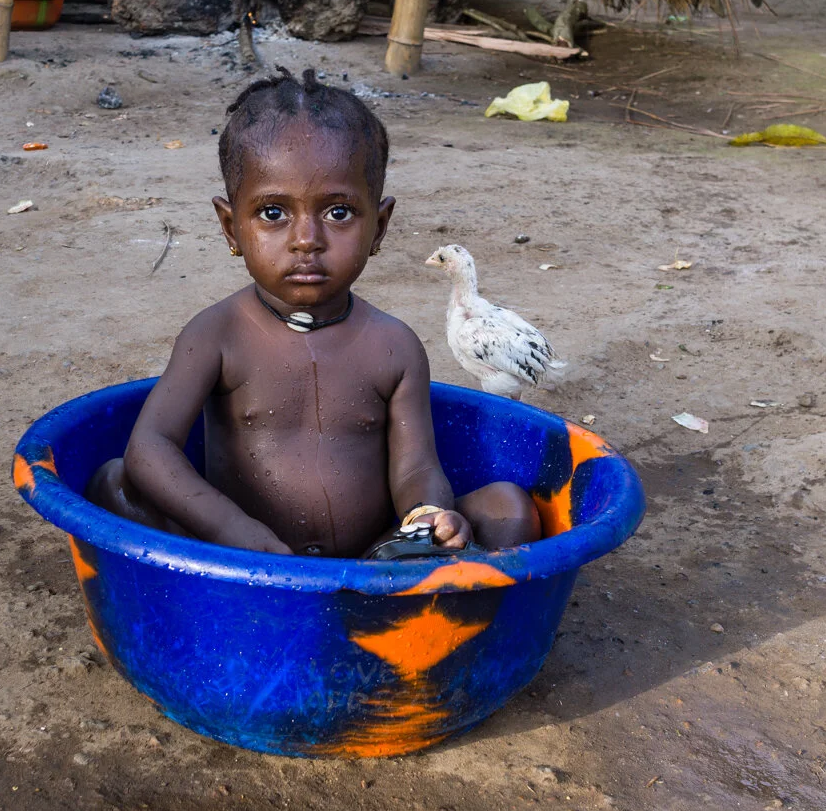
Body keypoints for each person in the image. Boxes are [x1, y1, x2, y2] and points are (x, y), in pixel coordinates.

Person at [86, 68, 542, 558]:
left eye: (338, 213)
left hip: (371, 567)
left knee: (508, 509)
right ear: (230, 227)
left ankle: (431, 622)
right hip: (235, 563)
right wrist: (231, 532)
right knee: (115, 483)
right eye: (273, 213)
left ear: (380, 225)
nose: (307, 240)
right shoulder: (216, 334)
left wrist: (429, 516)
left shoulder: (393, 345)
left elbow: (415, 469)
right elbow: (150, 448)